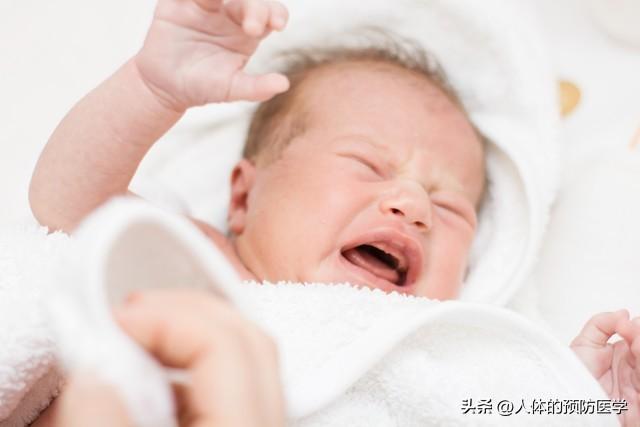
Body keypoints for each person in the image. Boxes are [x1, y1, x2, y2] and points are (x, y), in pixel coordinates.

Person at [27, 0, 640, 424]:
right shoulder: (196, 263)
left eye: (451, 206)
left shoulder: (441, 350)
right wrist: (154, 89)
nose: (415, 205)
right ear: (243, 196)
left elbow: (501, 408)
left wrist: (581, 397)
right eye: (368, 165)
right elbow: (72, 207)